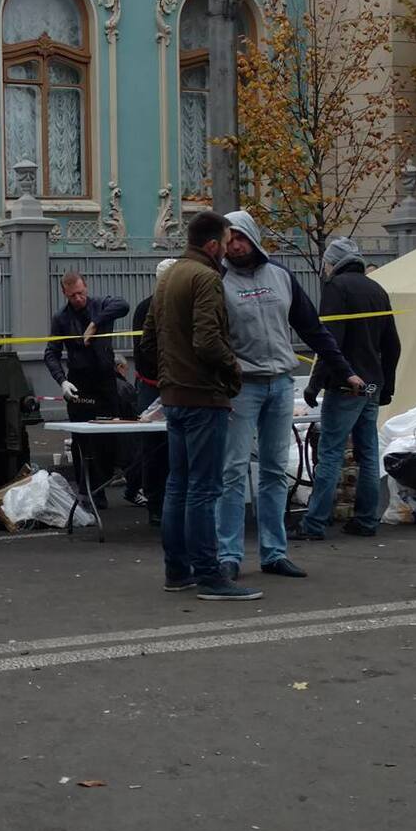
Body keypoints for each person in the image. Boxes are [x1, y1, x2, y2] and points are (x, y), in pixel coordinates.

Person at [214, 211, 361, 580]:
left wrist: (344, 370)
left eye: (240, 238)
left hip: (280, 383)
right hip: (241, 386)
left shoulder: (281, 276)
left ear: (252, 237)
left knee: (275, 471)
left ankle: (274, 553)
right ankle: (228, 555)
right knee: (232, 471)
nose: (234, 245)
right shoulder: (217, 281)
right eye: (228, 240)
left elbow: (313, 328)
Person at [136, 212, 262, 601]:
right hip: (203, 397)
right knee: (205, 489)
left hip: (174, 395)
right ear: (212, 245)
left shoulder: (169, 275)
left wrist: (169, 377)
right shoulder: (206, 278)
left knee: (178, 486)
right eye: (225, 244)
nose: (227, 251)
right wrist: (233, 372)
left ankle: (178, 571)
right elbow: (209, 341)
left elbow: (148, 341)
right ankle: (210, 576)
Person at [300, 235, 402, 539]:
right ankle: (367, 520)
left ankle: (315, 523)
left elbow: (329, 341)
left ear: (332, 263)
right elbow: (393, 345)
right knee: (369, 454)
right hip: (372, 384)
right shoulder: (377, 289)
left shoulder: (336, 288)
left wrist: (315, 383)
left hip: (345, 385)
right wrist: (387, 385)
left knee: (330, 452)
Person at [45, 272, 131, 509]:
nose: (79, 298)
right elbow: (51, 353)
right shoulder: (61, 318)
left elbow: (123, 305)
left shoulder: (101, 305)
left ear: (86, 288)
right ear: (65, 294)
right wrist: (62, 381)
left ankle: (101, 484)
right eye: (73, 295)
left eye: (81, 293)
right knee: (82, 439)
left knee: (108, 438)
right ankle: (86, 490)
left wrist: (95, 323)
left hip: (105, 382)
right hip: (79, 383)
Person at [126, 258, 178, 524]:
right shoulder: (147, 308)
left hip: (171, 383)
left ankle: (162, 500)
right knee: (153, 445)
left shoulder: (178, 306)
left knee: (171, 445)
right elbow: (144, 350)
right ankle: (155, 504)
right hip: (152, 384)